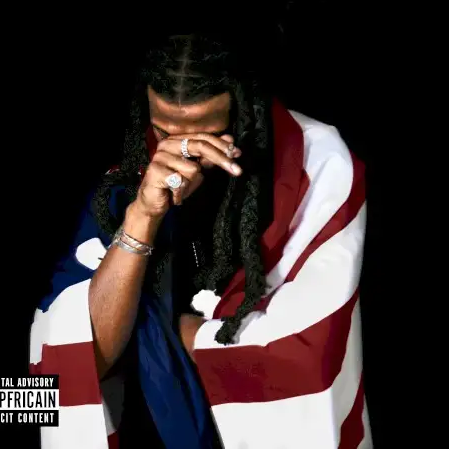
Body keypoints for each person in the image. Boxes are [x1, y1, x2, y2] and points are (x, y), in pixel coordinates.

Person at [29, 32, 372, 448]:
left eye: (205, 134)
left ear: (243, 109)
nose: (183, 151)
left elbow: (309, 355)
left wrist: (183, 335)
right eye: (164, 132)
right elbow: (72, 365)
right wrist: (144, 216)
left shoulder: (316, 166)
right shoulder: (125, 185)